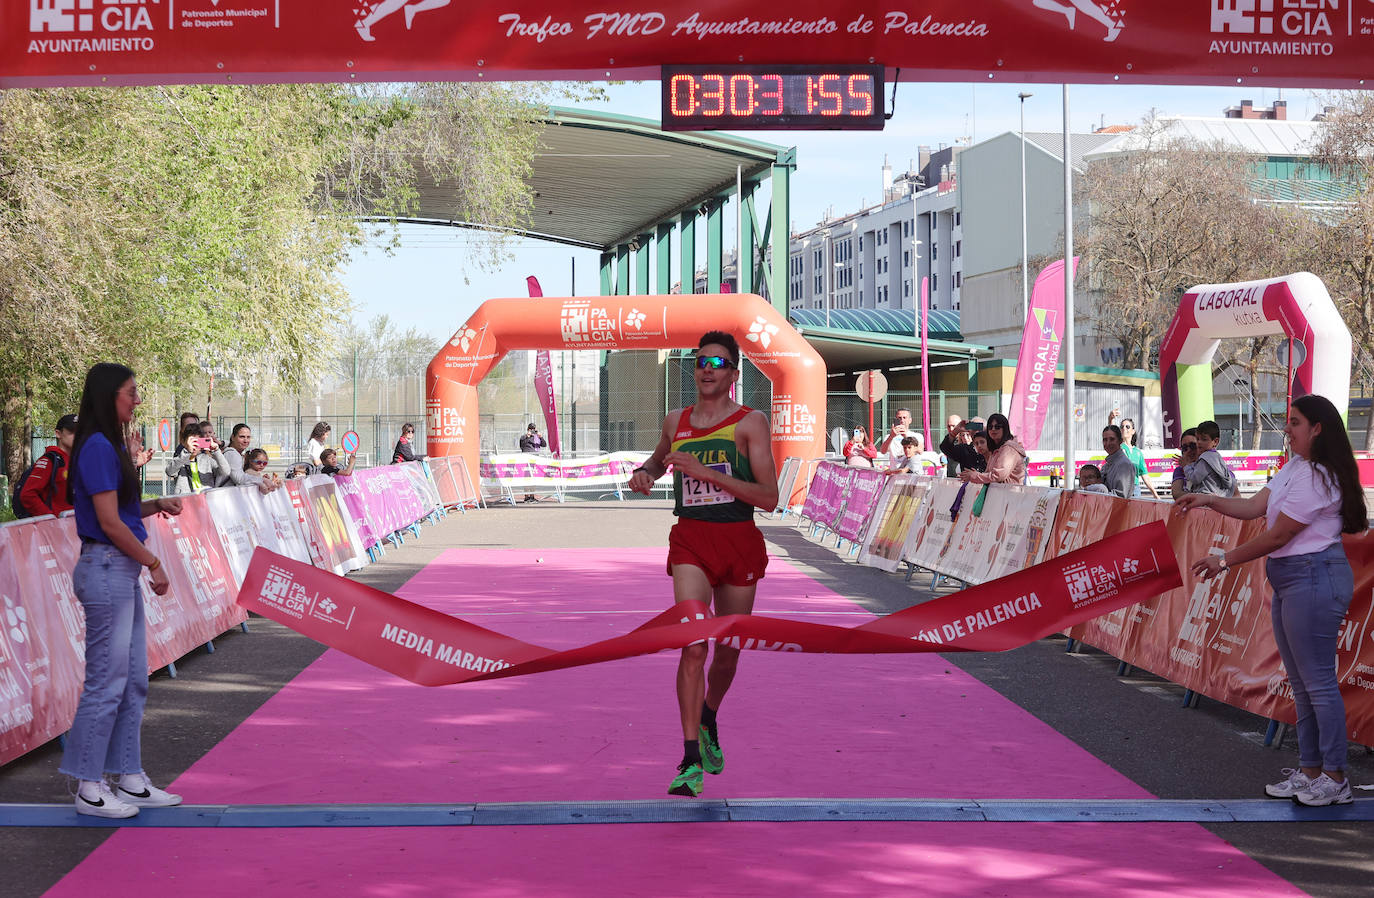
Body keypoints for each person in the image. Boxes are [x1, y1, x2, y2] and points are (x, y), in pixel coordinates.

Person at [1179, 394, 1367, 807]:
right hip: (1294, 579)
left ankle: (1335, 778)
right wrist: (1208, 498)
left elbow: (1279, 535)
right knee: (1302, 684)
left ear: (1318, 428)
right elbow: (1252, 508)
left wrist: (1223, 560)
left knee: (1317, 684)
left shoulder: (1320, 476)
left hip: (1313, 577)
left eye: (1296, 422)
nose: (1288, 429)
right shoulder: (1296, 467)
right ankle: (1312, 771)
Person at [626, 331, 778, 799]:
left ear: (733, 373)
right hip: (690, 540)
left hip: (738, 542)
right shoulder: (677, 420)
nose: (706, 368)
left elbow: (769, 498)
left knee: (728, 651)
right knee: (693, 643)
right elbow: (657, 462)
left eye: (717, 361)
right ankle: (690, 755)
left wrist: (708, 473)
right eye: (700, 361)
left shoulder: (750, 422)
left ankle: (709, 715)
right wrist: (644, 475)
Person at [61, 363, 185, 818]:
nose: (137, 400)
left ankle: (129, 777)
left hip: (119, 570)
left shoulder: (108, 445)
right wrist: (153, 562)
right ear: (109, 395)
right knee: (107, 682)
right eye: (131, 392)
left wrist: (156, 504)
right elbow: (108, 524)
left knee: (132, 681)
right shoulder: (96, 446)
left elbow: (119, 513)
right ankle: (89, 787)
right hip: (108, 568)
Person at [18, 414, 78, 517]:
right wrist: (51, 519)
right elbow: (27, 495)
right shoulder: (50, 460)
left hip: (79, 526)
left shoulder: (80, 460)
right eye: (72, 432)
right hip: (59, 528)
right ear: (58, 433)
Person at [1108, 409, 1162, 499]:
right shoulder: (1118, 447)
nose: (1124, 428)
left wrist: (1155, 494)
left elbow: (1145, 475)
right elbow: (1111, 432)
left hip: (1135, 489)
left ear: (1133, 431)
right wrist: (1111, 419)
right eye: (1122, 427)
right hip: (1121, 487)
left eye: (1127, 427)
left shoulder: (1138, 452)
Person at [959, 413, 1026, 484]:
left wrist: (975, 476)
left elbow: (998, 476)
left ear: (1005, 428)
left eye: (997, 427)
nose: (993, 429)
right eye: (990, 427)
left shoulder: (1009, 448)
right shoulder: (996, 448)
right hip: (999, 493)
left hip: (1009, 493)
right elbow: (990, 474)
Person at [170, 423, 229, 494]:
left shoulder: (207, 459)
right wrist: (187, 452)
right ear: (184, 442)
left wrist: (216, 451)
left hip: (205, 499)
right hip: (185, 500)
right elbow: (170, 471)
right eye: (192, 442)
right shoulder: (180, 460)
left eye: (197, 442)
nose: (195, 446)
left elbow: (226, 472)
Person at [1186, 420, 1237, 496]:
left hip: (1206, 497)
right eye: (1197, 439)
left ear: (1215, 441)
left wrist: (1186, 466)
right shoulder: (1217, 457)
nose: (1199, 442)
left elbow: (1195, 479)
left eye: (1204, 439)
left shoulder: (1205, 458)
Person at [1098, 424, 1136, 498]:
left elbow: (1121, 497)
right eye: (1105, 440)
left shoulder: (1124, 465)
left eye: (1112, 439)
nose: (1108, 443)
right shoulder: (1106, 465)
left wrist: (1097, 491)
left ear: (1120, 441)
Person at [517, 423, 546, 502]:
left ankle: (532, 496)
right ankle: (526, 496)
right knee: (526, 478)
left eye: (534, 429)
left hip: (534, 460)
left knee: (533, 478)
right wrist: (527, 436)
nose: (532, 430)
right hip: (526, 460)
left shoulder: (537, 437)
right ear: (528, 429)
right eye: (531, 429)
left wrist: (541, 437)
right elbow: (522, 445)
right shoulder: (524, 437)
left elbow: (544, 444)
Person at [1170, 428, 1200, 501]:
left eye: (1193, 446)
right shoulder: (1180, 470)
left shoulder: (1212, 465)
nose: (1189, 450)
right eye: (1185, 447)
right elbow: (1177, 494)